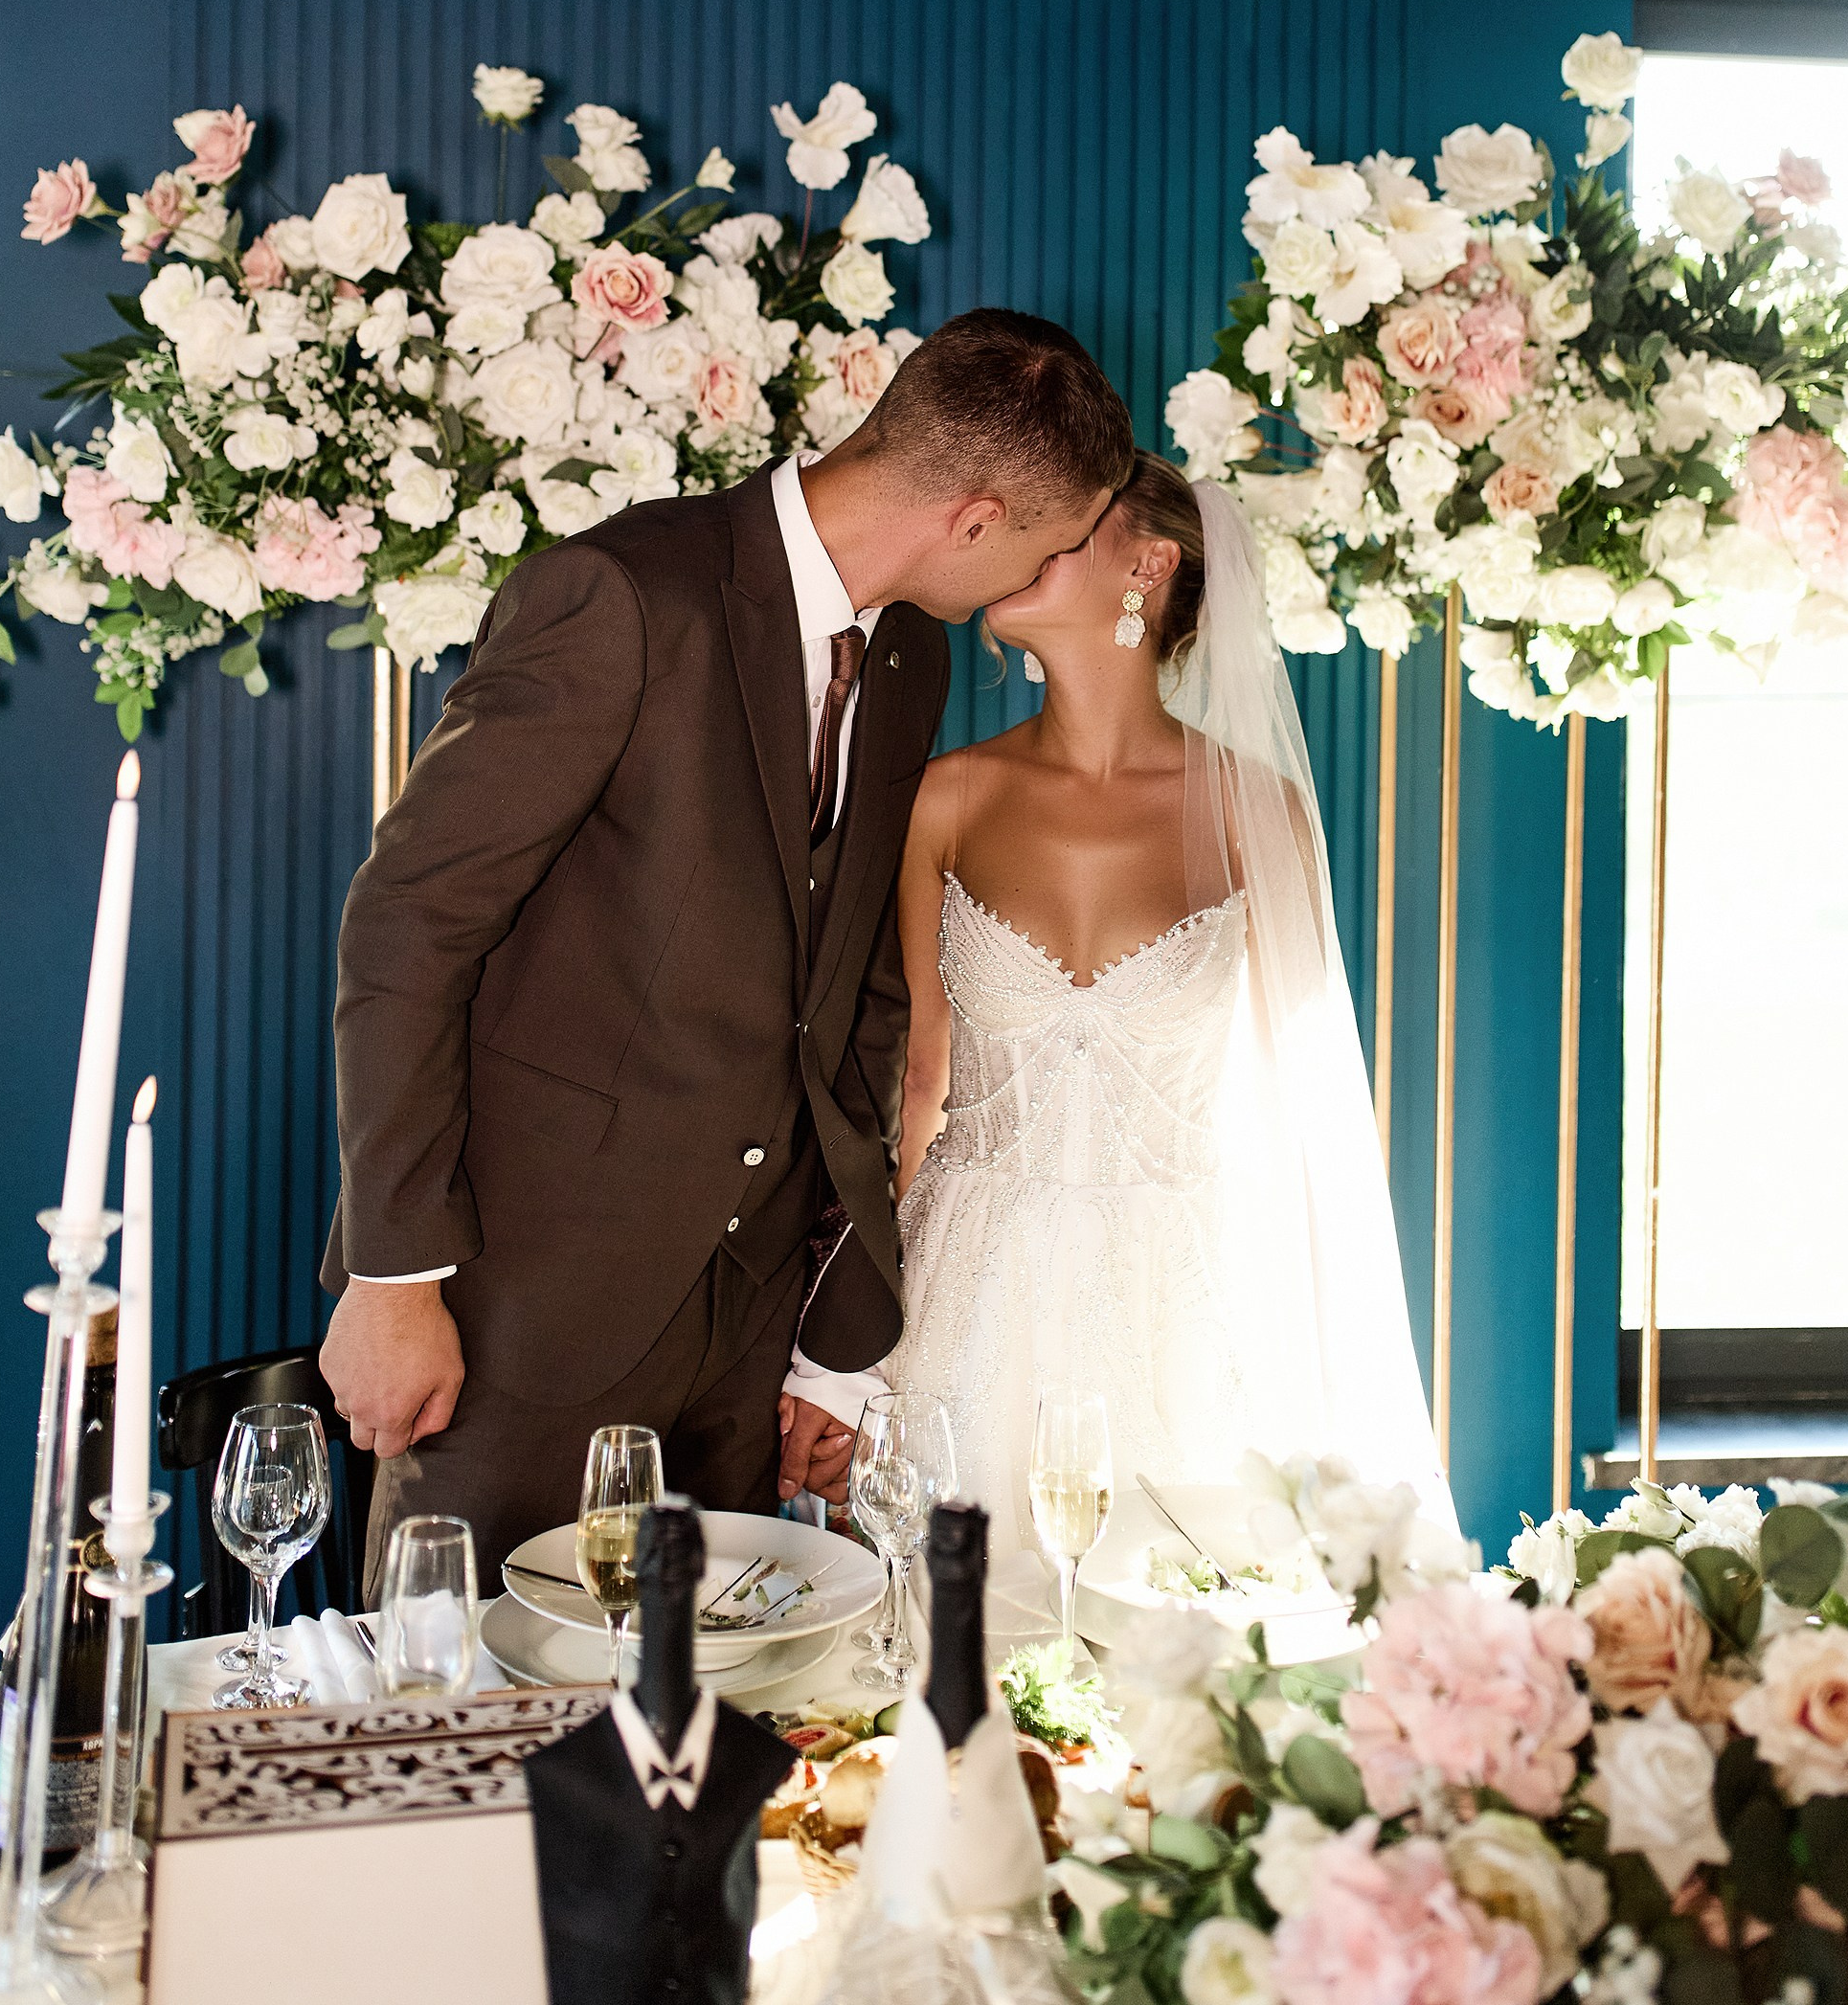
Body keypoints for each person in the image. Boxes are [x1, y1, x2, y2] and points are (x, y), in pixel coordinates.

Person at [317, 308, 1135, 1588]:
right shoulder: (623, 596)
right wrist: (393, 1275)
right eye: (1050, 544)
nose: (1039, 581)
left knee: (705, 1748)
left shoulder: (910, 651)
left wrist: (831, 1335)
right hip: (522, 1312)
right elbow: (411, 921)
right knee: (470, 1719)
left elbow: (857, 1001)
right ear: (976, 519)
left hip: (743, 1331)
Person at [886, 450, 1448, 1539]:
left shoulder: (1252, 807)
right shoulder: (947, 797)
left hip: (1182, 1306)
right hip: (964, 1284)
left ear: (1145, 563)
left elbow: (1299, 1113)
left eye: (1066, 521)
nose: (1023, 530)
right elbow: (917, 1078)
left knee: (1161, 1638)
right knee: (949, 1634)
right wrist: (845, 1352)